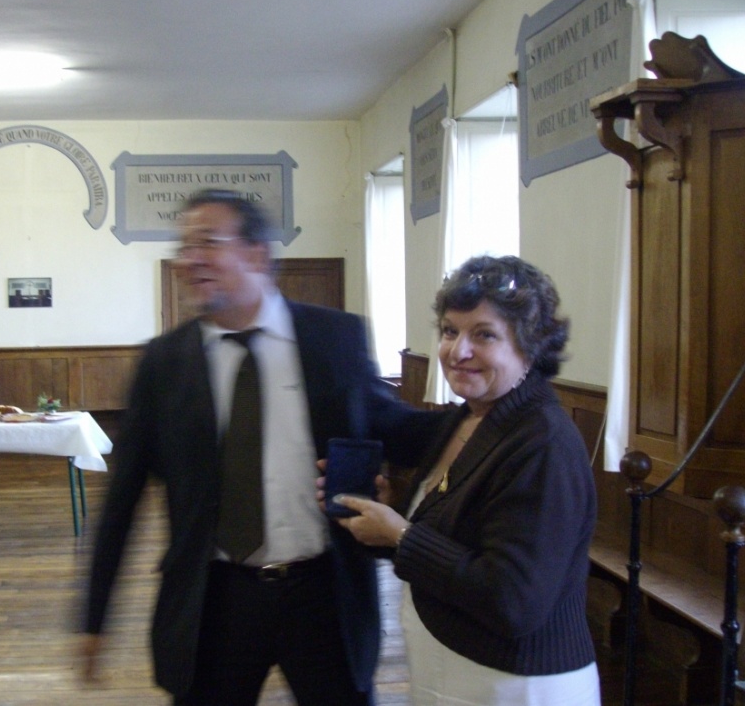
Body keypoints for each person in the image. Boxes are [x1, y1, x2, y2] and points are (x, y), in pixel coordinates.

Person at [83, 189, 441, 705]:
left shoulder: (333, 339)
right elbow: (121, 501)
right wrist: (94, 619)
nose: (191, 260)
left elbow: (397, 429)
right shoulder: (163, 364)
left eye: (209, 242)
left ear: (257, 255)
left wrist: (486, 410)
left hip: (324, 595)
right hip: (214, 601)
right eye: (185, 246)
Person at [330, 255, 601, 706]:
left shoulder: (543, 443)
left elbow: (513, 600)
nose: (458, 351)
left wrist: (400, 533)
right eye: (451, 331)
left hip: (517, 684)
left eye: (484, 335)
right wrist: (385, 519)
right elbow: (452, 538)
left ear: (530, 347)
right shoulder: (468, 417)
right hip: (455, 668)